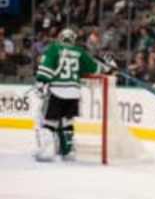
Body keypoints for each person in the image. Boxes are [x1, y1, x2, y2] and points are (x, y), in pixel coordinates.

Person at [34, 28, 111, 162]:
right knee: (67, 122)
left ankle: (47, 152)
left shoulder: (54, 48)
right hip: (74, 92)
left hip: (58, 90)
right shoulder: (80, 52)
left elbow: (46, 69)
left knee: (49, 123)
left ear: (61, 37)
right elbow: (93, 68)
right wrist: (107, 67)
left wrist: (41, 82)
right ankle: (68, 152)